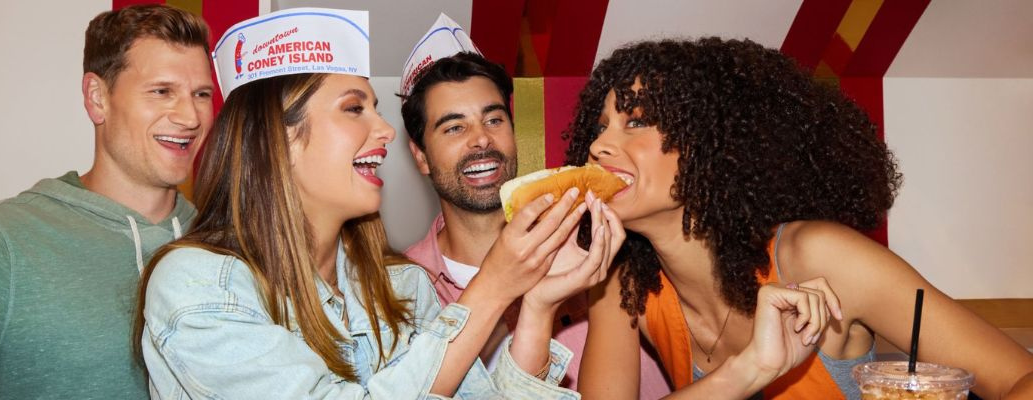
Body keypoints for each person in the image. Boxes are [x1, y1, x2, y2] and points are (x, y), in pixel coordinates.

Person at [135, 8, 616, 399]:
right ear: (278, 141)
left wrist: (537, 305)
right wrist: (494, 285)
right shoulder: (198, 285)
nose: (385, 131)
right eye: (353, 108)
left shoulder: (400, 286)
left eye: (376, 109)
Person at [569, 38, 1033, 399]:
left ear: (708, 145)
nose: (598, 146)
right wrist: (746, 371)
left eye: (635, 121)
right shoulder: (623, 283)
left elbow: (1021, 379)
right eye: (601, 127)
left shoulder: (818, 256)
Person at [0, 5, 211, 399]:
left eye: (201, 94)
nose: (190, 116)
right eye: (162, 91)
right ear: (97, 97)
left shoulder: (230, 243)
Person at [399, 47, 673, 395]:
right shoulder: (395, 292)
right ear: (421, 156)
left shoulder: (601, 240)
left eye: (494, 120)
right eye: (454, 127)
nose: (481, 139)